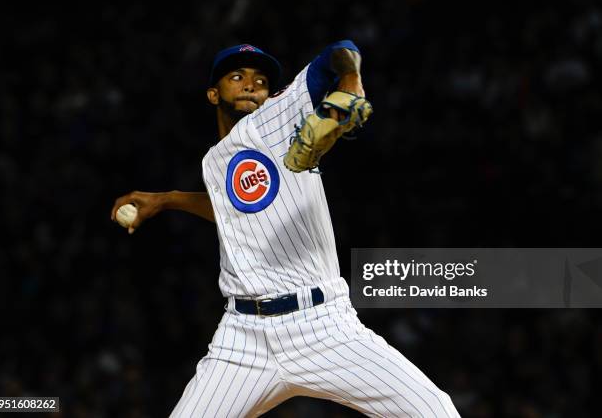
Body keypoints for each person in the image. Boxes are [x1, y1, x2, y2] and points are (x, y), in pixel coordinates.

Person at [111, 40, 460, 417]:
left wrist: (351, 80)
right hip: (243, 338)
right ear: (213, 94)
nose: (251, 84)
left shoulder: (279, 116)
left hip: (321, 325)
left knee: (434, 411)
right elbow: (232, 210)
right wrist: (166, 200)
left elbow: (341, 50)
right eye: (237, 76)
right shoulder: (214, 162)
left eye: (260, 80)